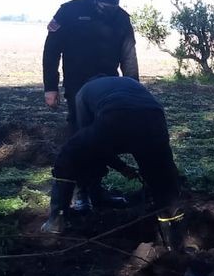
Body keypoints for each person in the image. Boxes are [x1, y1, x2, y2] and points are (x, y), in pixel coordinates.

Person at [41, 75, 183, 250]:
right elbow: (137, 133)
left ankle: (57, 219)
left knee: (68, 156)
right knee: (163, 179)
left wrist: (118, 166)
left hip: (116, 116)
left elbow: (91, 147)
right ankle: (174, 240)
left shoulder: (84, 92)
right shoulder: (129, 83)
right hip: (154, 118)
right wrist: (123, 167)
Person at [42, 0, 139, 210]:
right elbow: (51, 50)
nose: (110, 11)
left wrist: (133, 87)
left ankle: (97, 190)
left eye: (114, 7)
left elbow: (129, 55)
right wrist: (50, 87)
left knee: (104, 136)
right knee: (81, 136)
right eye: (106, 7)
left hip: (109, 89)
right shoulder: (69, 12)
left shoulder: (121, 19)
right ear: (96, 0)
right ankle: (81, 192)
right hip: (78, 88)